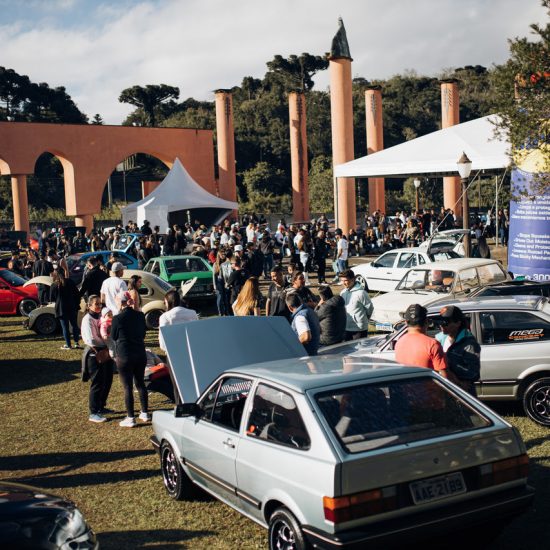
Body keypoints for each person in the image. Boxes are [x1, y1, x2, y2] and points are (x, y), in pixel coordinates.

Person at [111, 291, 150, 427]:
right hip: (140, 353)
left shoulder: (117, 318)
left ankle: (130, 417)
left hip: (125, 355)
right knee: (140, 383)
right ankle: (144, 412)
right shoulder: (140, 315)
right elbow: (143, 333)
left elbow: (114, 336)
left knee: (127, 386)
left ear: (120, 302)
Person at [81, 295, 114, 423]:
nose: (99, 306)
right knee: (98, 382)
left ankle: (101, 406)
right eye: (96, 304)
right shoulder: (87, 319)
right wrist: (107, 342)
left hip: (104, 351)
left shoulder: (101, 316)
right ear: (89, 306)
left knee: (108, 379)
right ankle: (93, 412)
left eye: (100, 304)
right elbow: (92, 339)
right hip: (94, 353)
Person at [435, 305, 480, 396]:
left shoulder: (469, 344)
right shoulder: (438, 339)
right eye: (440, 321)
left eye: (446, 322)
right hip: (446, 389)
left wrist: (448, 370)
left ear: (458, 323)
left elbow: (473, 373)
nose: (441, 325)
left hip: (463, 391)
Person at [395, 303, 448, 377]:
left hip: (404, 387)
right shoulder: (433, 344)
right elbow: (444, 377)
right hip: (426, 388)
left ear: (406, 322)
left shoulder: (399, 342)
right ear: (426, 321)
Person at [50, 268, 81, 349]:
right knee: (74, 325)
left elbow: (51, 298)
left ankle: (68, 345)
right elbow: (77, 294)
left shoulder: (54, 285)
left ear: (55, 275)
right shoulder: (70, 281)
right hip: (72, 306)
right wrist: (76, 303)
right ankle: (76, 342)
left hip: (61, 308)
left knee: (65, 327)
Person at [339, 269, 373, 341]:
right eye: (342, 280)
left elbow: (369, 309)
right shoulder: (342, 292)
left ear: (353, 279)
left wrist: (364, 320)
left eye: (345, 280)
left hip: (359, 329)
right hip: (346, 327)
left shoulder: (361, 293)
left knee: (360, 351)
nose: (343, 283)